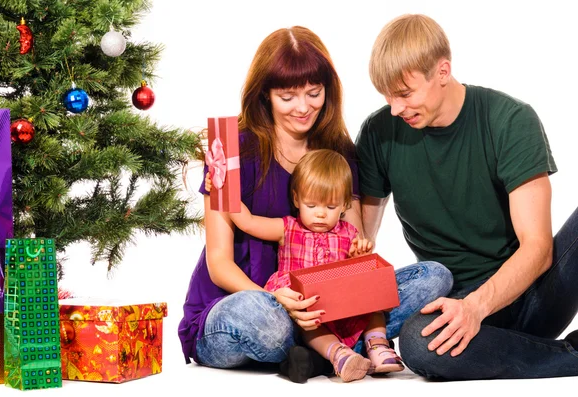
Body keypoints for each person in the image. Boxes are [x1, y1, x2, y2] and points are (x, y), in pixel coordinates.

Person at [178, 25, 453, 384]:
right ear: (265, 94)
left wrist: (360, 254)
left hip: (324, 307)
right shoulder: (230, 149)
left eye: (314, 93)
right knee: (265, 320)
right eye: (288, 96)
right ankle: (335, 351)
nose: (303, 107)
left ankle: (321, 352)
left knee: (433, 277)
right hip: (249, 303)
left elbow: (351, 242)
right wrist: (276, 299)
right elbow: (219, 264)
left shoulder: (338, 153)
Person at [356, 13, 578, 380]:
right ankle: (563, 356)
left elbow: (538, 250)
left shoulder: (509, 120)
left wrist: (476, 308)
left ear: (442, 72)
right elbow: (358, 242)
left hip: (533, 293)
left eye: (405, 93)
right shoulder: (380, 133)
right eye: (386, 96)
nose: (395, 108)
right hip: (452, 301)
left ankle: (513, 346)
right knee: (415, 343)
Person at [208, 149, 404, 382]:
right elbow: (248, 223)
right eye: (311, 205)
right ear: (296, 199)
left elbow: (356, 273)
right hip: (309, 306)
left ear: (343, 205)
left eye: (330, 207)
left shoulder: (348, 232)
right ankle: (339, 355)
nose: (320, 214)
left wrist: (357, 254)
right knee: (309, 324)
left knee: (374, 302)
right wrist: (225, 192)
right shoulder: (288, 228)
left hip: (341, 303)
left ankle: (378, 345)